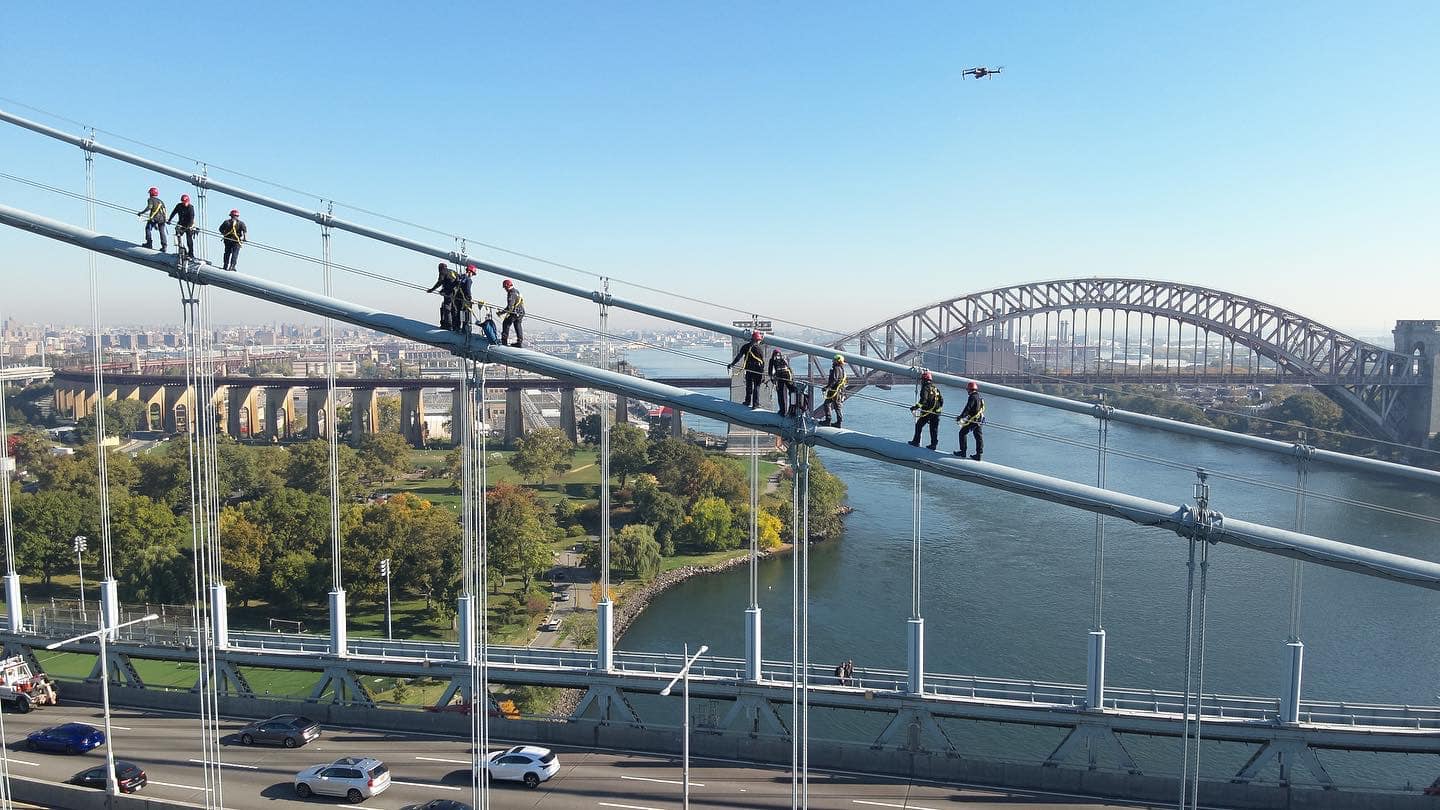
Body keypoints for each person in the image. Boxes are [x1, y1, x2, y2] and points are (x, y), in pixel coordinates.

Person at [727, 331, 766, 409]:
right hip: (757, 370)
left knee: (749, 385)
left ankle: (747, 401)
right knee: (757, 386)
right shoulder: (759, 349)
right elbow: (762, 362)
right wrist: (763, 373)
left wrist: (732, 364)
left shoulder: (745, 346)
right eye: (759, 341)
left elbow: (739, 357)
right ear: (757, 340)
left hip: (749, 369)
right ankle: (755, 404)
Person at [908, 371, 943, 450]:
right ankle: (933, 445)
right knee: (933, 429)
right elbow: (941, 400)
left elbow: (923, 400)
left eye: (922, 380)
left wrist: (915, 407)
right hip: (936, 413)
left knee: (919, 425)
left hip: (928, 412)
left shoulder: (925, 388)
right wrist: (938, 411)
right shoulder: (935, 388)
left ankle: (916, 441)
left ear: (924, 380)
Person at [954, 381, 986, 460]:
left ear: (969, 389)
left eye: (967, 389)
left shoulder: (972, 397)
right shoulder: (979, 397)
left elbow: (968, 408)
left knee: (962, 433)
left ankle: (963, 452)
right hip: (979, 420)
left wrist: (961, 417)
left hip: (973, 420)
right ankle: (979, 454)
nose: (967, 391)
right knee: (978, 436)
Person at [426, 262, 459, 330]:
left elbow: (440, 282)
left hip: (449, 292)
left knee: (446, 307)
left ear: (440, 268)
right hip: (456, 292)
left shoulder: (442, 271)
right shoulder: (452, 271)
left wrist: (432, 289)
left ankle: (448, 325)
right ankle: (455, 325)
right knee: (454, 308)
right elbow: (457, 280)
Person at [819, 355, 847, 427]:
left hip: (834, 390)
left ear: (837, 361)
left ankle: (829, 421)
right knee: (835, 405)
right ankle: (837, 422)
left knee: (829, 404)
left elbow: (834, 379)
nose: (832, 361)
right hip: (838, 390)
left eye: (834, 360)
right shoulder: (841, 369)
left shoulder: (836, 368)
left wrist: (827, 387)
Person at [138, 187, 168, 251]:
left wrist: (141, 213)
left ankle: (149, 243)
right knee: (162, 232)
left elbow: (149, 207)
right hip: (162, 219)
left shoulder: (150, 199)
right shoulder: (161, 201)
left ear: (151, 193)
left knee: (148, 228)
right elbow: (164, 211)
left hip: (154, 218)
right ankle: (164, 246)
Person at [168, 193, 196, 258]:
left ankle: (191, 253)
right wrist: (169, 220)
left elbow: (191, 218)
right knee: (178, 237)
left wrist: (188, 227)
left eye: (185, 202)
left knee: (189, 240)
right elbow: (174, 212)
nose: (184, 203)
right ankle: (183, 251)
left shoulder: (190, 208)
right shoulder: (179, 206)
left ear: (188, 201)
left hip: (189, 225)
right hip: (181, 224)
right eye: (183, 202)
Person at [768, 348, 795, 417]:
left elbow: (770, 371)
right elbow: (789, 368)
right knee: (792, 392)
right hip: (788, 375)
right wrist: (792, 378)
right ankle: (792, 410)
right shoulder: (783, 358)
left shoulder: (772, 360)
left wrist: (773, 380)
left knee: (780, 394)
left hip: (779, 376)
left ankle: (782, 411)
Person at [498, 279, 525, 347]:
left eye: (505, 288)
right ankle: (519, 342)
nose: (505, 289)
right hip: (520, 312)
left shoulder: (511, 293)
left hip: (515, 312)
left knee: (506, 324)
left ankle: (504, 342)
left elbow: (510, 307)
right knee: (517, 325)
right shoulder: (516, 291)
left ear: (507, 286)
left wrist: (501, 312)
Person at [451, 264, 477, 333]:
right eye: (472, 274)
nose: (472, 275)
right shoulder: (468, 280)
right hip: (465, 299)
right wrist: (470, 298)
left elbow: (454, 284)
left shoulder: (460, 277)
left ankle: (457, 327)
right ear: (469, 272)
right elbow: (468, 290)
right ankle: (464, 329)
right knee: (465, 313)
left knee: (458, 312)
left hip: (457, 298)